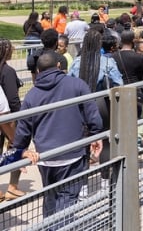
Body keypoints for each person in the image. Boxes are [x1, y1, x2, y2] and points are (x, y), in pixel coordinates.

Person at [13, 51, 103, 220]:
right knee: (67, 200)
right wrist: (96, 135)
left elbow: (22, 128)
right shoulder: (78, 85)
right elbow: (93, 117)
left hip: (45, 157)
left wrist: (20, 150)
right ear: (59, 66)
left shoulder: (32, 95)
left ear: (38, 71)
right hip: (73, 154)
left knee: (50, 197)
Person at [68, 30, 123, 193]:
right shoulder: (107, 62)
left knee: (83, 146)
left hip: (80, 107)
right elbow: (119, 82)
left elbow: (69, 81)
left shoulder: (77, 62)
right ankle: (105, 182)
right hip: (101, 106)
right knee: (105, 143)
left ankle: (83, 186)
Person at [0, 39, 25, 200]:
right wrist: (18, 119)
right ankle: (12, 186)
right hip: (8, 119)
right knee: (18, 147)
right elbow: (13, 99)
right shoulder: (7, 71)